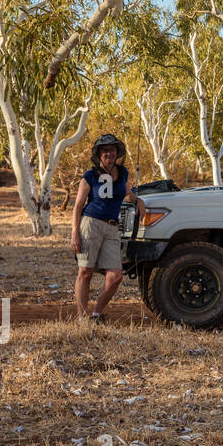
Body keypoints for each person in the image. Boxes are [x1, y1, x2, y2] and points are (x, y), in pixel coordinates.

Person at [71, 134, 145, 323]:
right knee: (85, 272)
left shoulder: (123, 172)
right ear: (99, 154)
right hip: (91, 224)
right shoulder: (90, 176)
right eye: (105, 150)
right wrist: (75, 234)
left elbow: (126, 194)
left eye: (112, 150)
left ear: (116, 152)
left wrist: (138, 200)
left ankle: (96, 313)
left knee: (115, 276)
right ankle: (82, 319)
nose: (109, 153)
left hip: (112, 227)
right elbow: (78, 206)